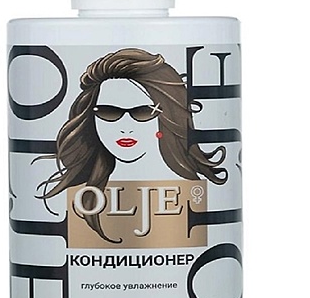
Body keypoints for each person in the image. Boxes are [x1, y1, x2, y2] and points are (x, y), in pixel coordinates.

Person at [35, 48, 227, 243]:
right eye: (108, 112)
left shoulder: (197, 192)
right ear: (91, 118)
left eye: (142, 112)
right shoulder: (73, 195)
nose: (125, 127)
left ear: (167, 116)